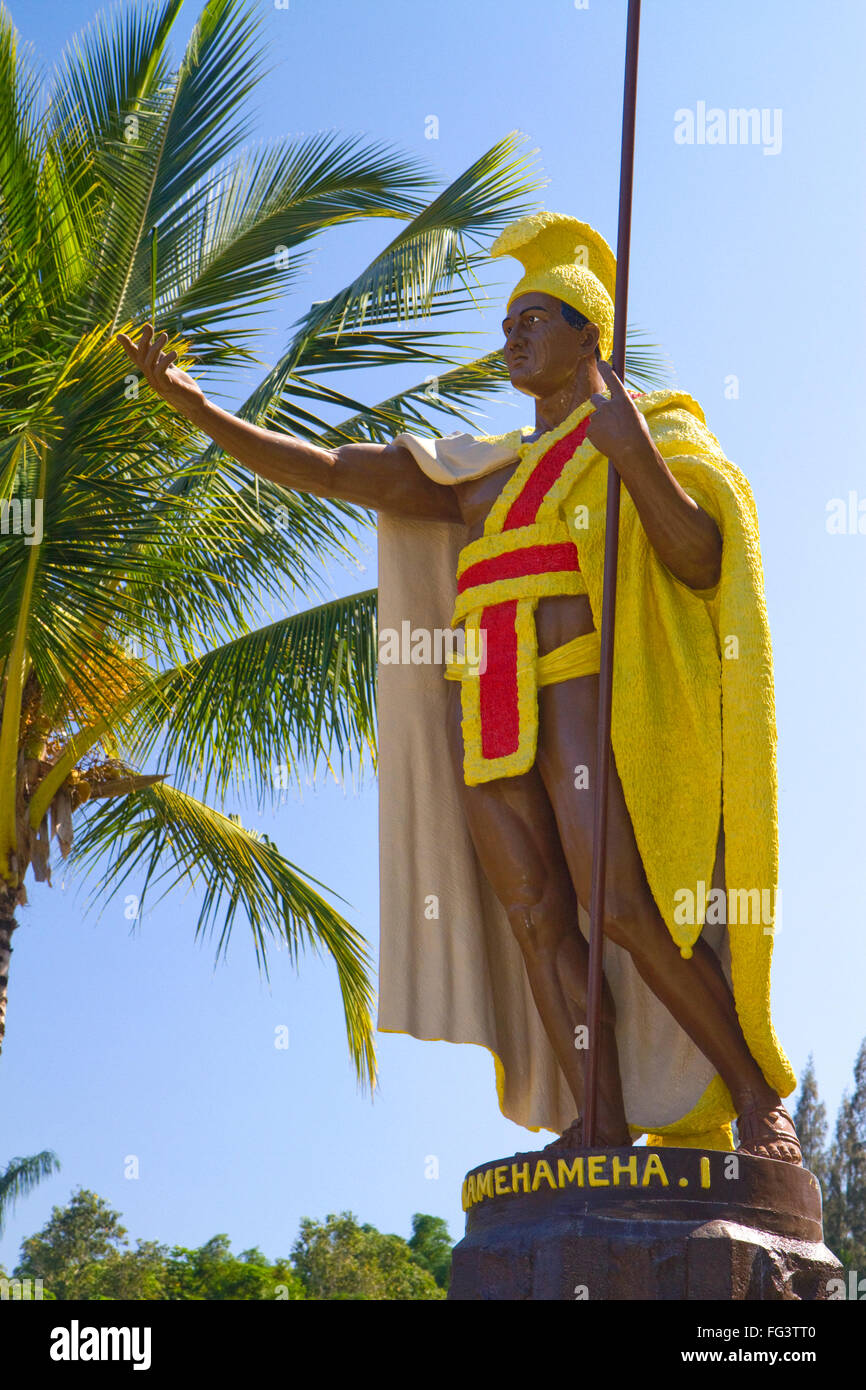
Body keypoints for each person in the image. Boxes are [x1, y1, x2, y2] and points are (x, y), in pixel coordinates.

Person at [117, 211, 801, 1162]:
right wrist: (199, 410)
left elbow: (700, 566)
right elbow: (329, 471)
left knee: (621, 908)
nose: (511, 335)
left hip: (578, 690)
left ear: (587, 336)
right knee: (535, 917)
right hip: (485, 703)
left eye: (535, 318)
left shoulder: (643, 437)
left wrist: (636, 452)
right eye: (508, 320)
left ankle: (756, 1096)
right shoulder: (480, 477)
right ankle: (594, 1118)